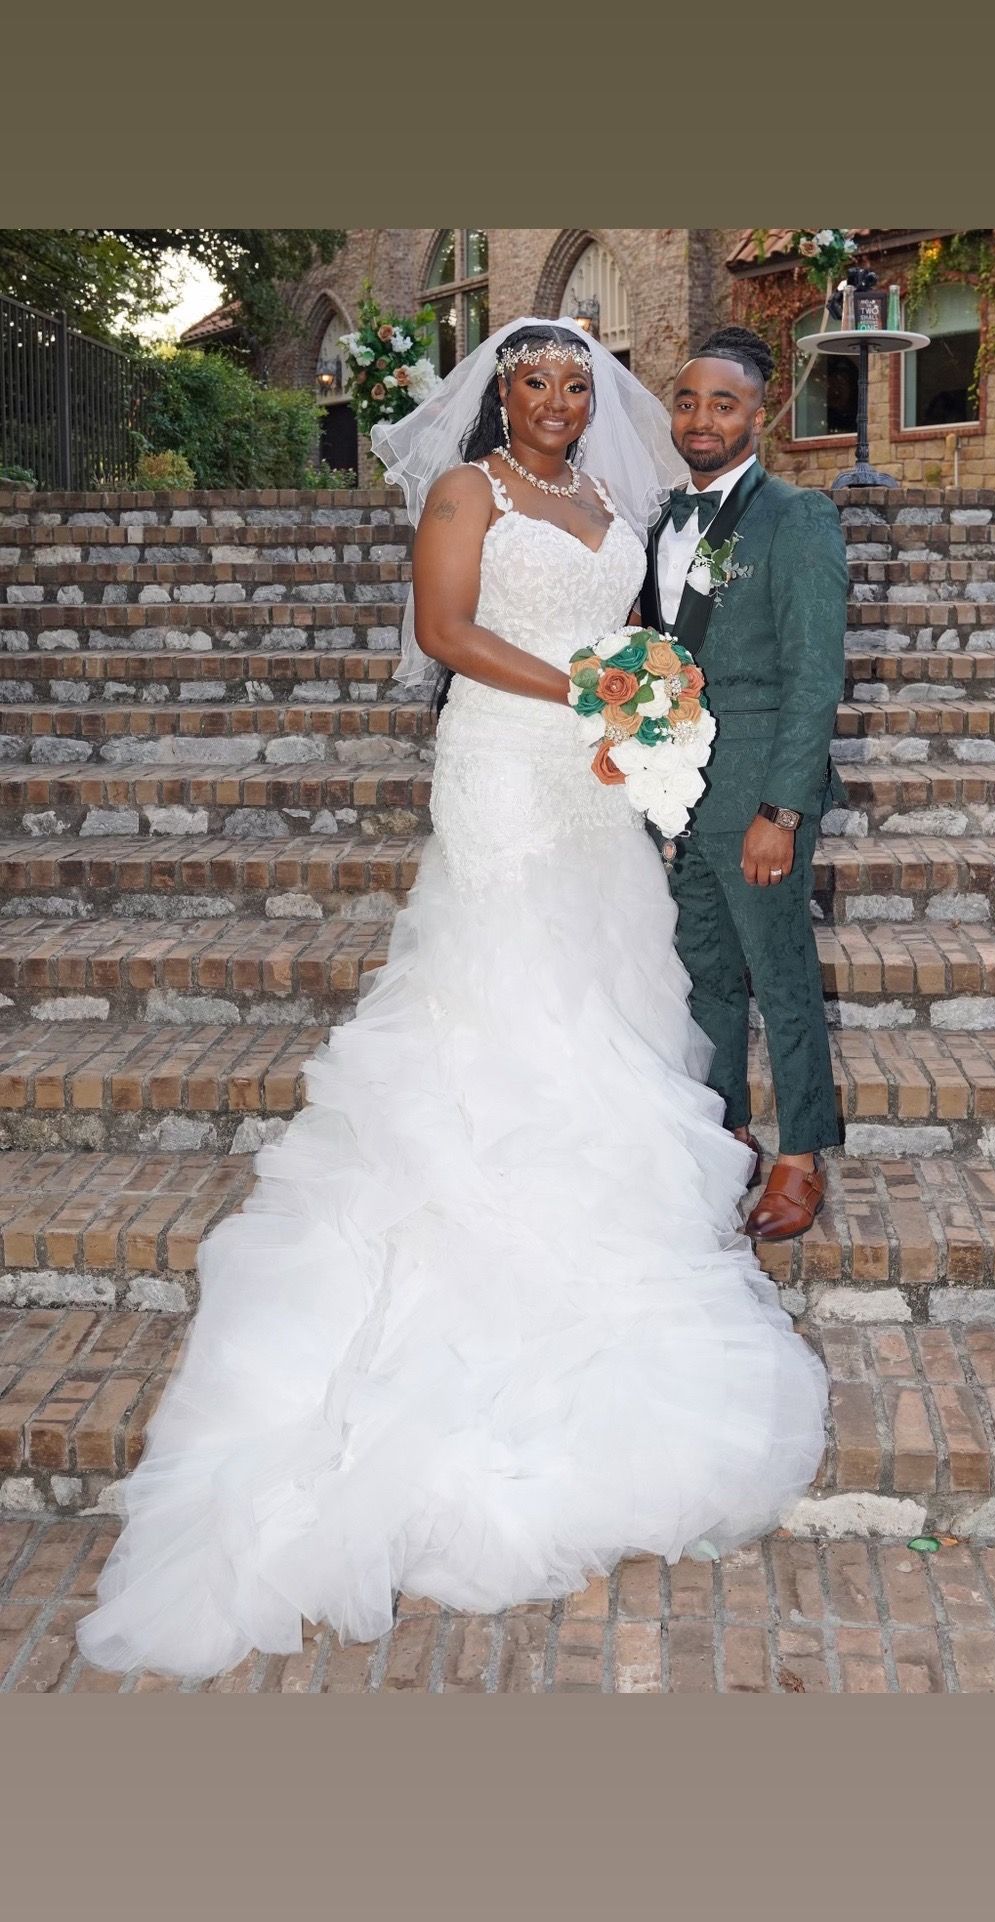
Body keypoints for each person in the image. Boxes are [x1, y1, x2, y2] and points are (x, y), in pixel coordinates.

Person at [76, 318, 827, 1681]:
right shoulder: (462, 494)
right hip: (500, 766)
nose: (553, 400)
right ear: (497, 396)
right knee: (500, 981)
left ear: (598, 403)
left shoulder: (617, 501)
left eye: (575, 384)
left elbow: (662, 620)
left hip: (593, 786)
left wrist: (639, 700)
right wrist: (592, 685)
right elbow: (444, 629)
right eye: (532, 380)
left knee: (607, 984)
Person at [639, 325, 849, 1242]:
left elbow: (815, 675)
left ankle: (802, 1155)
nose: (701, 419)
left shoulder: (796, 517)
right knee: (706, 981)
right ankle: (727, 1134)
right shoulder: (659, 521)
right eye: (687, 401)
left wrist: (782, 808)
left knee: (782, 977)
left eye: (723, 403)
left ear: (760, 416)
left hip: (761, 792)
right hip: (680, 795)